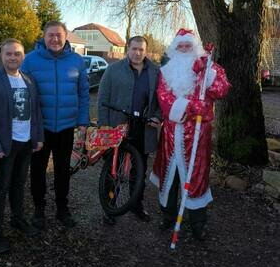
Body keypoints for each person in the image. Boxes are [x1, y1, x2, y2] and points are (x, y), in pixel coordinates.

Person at [150, 28, 231, 240]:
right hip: (171, 134)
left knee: (196, 178)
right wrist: (189, 108)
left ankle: (198, 224)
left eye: (188, 46)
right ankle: (168, 216)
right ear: (175, 49)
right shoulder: (166, 71)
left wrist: (208, 73)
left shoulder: (208, 68)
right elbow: (162, 96)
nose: (185, 49)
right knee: (171, 176)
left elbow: (222, 90)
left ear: (194, 48)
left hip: (197, 135)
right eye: (181, 46)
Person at [0, 39, 44, 254]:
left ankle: (18, 218)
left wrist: (38, 137)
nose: (13, 57)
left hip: (25, 143)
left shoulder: (29, 81)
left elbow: (36, 113)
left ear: (23, 56)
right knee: (1, 187)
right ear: (1, 56)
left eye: (17, 54)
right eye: (9, 54)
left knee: (19, 183)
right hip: (6, 144)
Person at [21, 21, 89, 229]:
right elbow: (21, 93)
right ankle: (39, 209)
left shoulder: (76, 61)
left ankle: (62, 208)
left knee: (62, 170)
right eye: (50, 35)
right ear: (43, 36)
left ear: (66, 36)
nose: (55, 39)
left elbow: (83, 93)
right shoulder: (30, 60)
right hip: (40, 127)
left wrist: (83, 121)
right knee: (38, 170)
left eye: (59, 35)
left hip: (66, 126)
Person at [97, 36, 161, 224]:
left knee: (139, 169)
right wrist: (104, 125)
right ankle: (110, 207)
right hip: (117, 126)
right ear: (127, 50)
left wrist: (157, 116)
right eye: (134, 49)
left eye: (141, 49)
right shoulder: (113, 70)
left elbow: (160, 100)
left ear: (146, 51)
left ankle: (136, 204)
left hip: (143, 127)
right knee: (112, 168)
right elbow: (102, 99)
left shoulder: (155, 73)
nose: (137, 53)